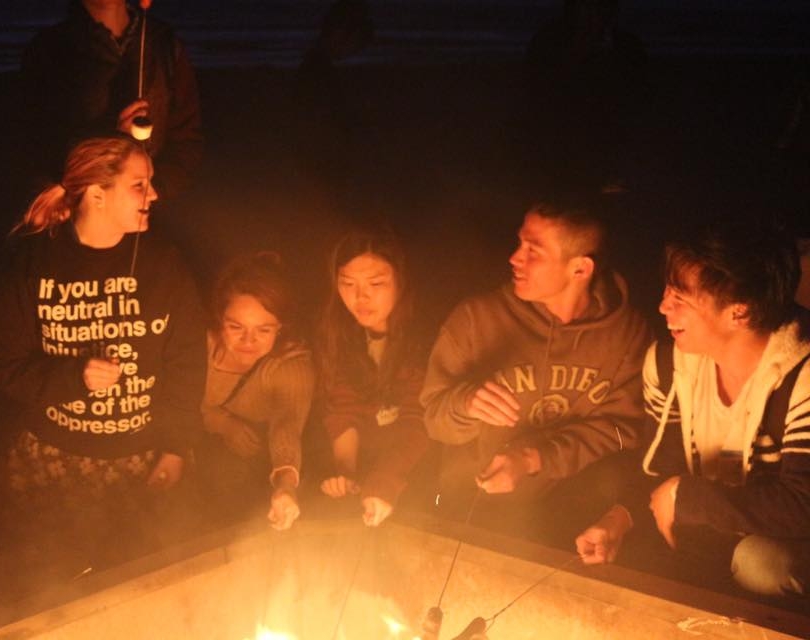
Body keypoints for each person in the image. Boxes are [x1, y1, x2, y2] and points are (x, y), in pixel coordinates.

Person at [0, 136, 205, 570]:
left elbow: (187, 365)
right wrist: (73, 377)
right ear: (97, 194)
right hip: (52, 461)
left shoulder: (164, 265)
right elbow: (1, 362)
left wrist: (177, 445)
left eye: (151, 183)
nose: (154, 195)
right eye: (139, 185)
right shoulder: (32, 265)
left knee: (130, 583)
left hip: (140, 460)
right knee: (49, 585)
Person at [575, 221, 810, 598]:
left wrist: (690, 499)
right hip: (715, 529)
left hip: (784, 541)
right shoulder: (671, 364)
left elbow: (803, 504)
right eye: (668, 290)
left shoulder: (801, 375)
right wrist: (618, 518)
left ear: (740, 312)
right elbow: (660, 467)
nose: (662, 306)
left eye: (680, 298)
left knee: (764, 564)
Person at [421, 197, 650, 542]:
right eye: (519, 243)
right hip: (469, 507)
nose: (515, 258)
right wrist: (465, 403)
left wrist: (533, 458)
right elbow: (433, 420)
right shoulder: (476, 320)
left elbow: (622, 434)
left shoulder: (627, 335)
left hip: (565, 516)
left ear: (580, 269)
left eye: (534, 250)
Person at [20, 0, 203, 202]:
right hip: (81, 215)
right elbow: (38, 148)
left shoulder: (164, 43)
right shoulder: (49, 50)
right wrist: (111, 144)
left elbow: (186, 138)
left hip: (151, 217)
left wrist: (151, 192)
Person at [316, 228, 431, 527]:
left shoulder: (425, 336)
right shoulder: (339, 333)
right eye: (348, 283)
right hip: (369, 465)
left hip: (421, 472)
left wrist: (384, 482)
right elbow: (343, 409)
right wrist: (346, 473)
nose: (360, 296)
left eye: (376, 283)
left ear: (400, 281)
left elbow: (417, 420)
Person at [198, 252, 314, 531]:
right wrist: (222, 423)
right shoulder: (198, 345)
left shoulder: (289, 364)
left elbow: (287, 423)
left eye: (264, 330)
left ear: (280, 327)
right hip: (190, 464)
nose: (248, 341)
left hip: (251, 474)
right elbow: (173, 399)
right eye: (236, 327)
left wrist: (286, 486)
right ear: (219, 319)